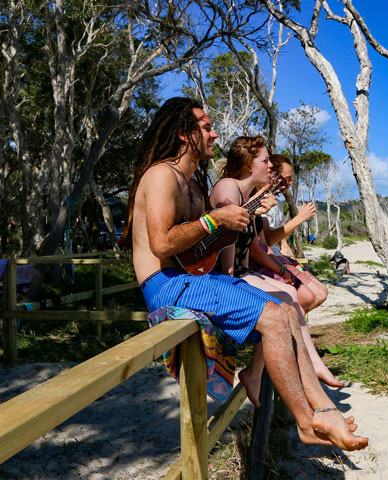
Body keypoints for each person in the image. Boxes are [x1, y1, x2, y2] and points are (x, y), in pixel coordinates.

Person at [123, 97, 367, 451]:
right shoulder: (162, 175)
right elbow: (162, 244)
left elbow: (198, 248)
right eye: (206, 126)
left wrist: (233, 223)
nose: (214, 132)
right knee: (271, 316)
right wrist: (214, 219)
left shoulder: (192, 181)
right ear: (182, 133)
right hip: (165, 284)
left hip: (192, 278)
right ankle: (305, 421)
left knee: (285, 310)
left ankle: (323, 408)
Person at [210, 136, 343, 406]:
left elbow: (249, 245)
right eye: (266, 160)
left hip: (239, 272)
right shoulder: (228, 187)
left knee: (288, 295)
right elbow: (226, 231)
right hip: (225, 276)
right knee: (285, 299)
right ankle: (297, 370)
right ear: (249, 165)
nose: (271, 166)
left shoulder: (248, 196)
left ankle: (272, 370)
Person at [260, 154, 329, 312]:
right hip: (269, 259)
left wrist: (288, 253)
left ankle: (294, 330)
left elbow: (280, 238)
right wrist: (299, 218)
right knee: (309, 297)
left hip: (279, 257)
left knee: (321, 293)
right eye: (288, 178)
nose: (290, 183)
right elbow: (268, 239)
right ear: (274, 176)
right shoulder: (262, 202)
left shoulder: (277, 202)